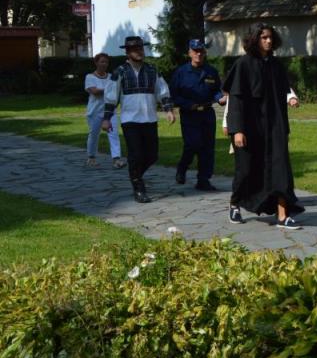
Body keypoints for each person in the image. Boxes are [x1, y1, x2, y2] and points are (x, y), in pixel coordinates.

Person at [223, 23, 303, 230]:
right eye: (263, 37)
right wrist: (237, 130)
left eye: (270, 37)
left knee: (280, 169)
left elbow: (285, 89)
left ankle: (283, 215)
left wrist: (291, 98)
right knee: (246, 170)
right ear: (254, 39)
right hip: (249, 127)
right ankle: (235, 203)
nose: (268, 41)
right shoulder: (243, 64)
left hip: (275, 126)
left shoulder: (276, 65)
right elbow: (236, 100)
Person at [103, 35, 175, 203]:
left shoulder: (152, 70)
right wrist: (106, 118)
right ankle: (138, 188)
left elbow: (162, 90)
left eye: (141, 48)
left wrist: (168, 110)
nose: (139, 52)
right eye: (135, 49)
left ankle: (135, 175)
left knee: (152, 156)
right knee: (136, 155)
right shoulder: (120, 72)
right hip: (130, 120)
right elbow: (111, 96)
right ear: (127, 52)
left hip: (150, 119)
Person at [170, 38, 225, 191]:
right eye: (195, 51)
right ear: (189, 53)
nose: (198, 54)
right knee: (192, 144)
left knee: (207, 147)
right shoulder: (181, 73)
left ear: (204, 52)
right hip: (189, 114)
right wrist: (188, 104)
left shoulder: (211, 71)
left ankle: (203, 179)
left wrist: (220, 98)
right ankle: (182, 167)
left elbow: (216, 90)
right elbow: (174, 95)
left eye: (201, 51)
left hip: (207, 113)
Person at [84, 52, 123, 168]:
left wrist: (110, 90)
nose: (104, 64)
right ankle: (91, 157)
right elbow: (94, 91)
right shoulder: (90, 77)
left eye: (106, 62)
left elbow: (117, 91)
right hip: (95, 111)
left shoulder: (111, 77)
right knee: (94, 134)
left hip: (110, 110)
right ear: (96, 63)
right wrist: (109, 89)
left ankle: (116, 159)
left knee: (113, 134)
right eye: (102, 61)